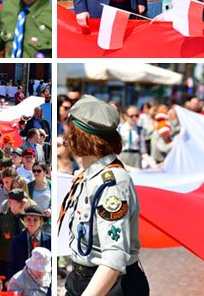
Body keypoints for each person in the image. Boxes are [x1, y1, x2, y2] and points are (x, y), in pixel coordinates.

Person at [61, 94, 149, 295]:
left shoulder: (110, 184)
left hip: (110, 286)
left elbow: (113, 260)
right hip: (81, 278)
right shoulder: (89, 175)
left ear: (78, 137)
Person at [0, 188, 27, 278]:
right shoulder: (2, 219)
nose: (22, 204)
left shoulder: (27, 219)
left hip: (22, 262)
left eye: (23, 202)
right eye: (18, 201)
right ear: (9, 202)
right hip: (4, 262)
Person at [8, 204, 51, 279]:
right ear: (24, 220)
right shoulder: (16, 240)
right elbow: (12, 264)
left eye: (35, 220)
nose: (32, 223)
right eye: (28, 219)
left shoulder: (50, 240)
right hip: (22, 282)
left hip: (44, 282)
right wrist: (10, 280)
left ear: (41, 221)